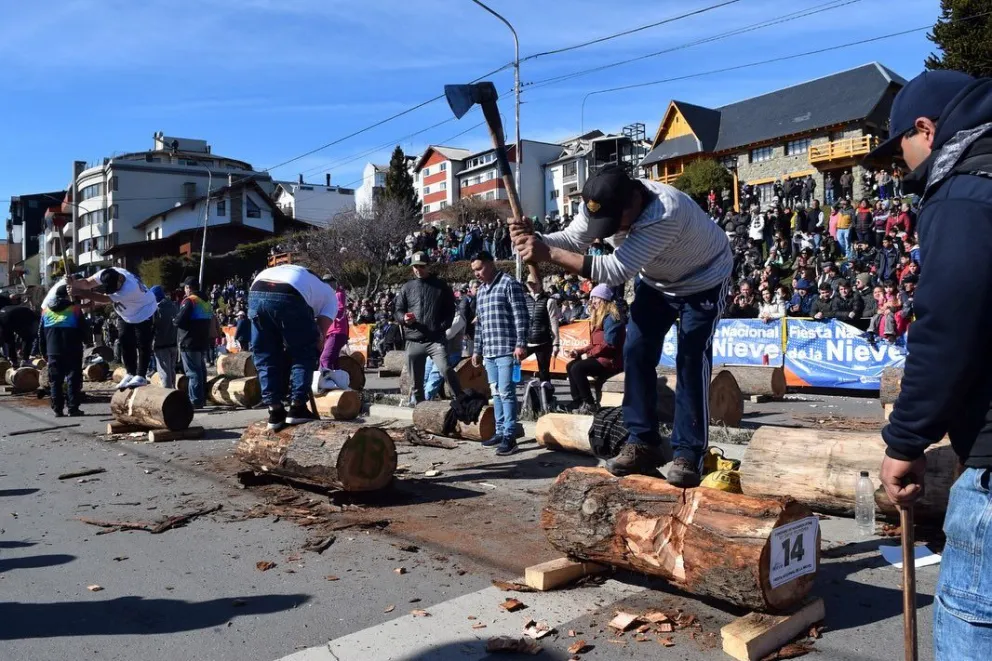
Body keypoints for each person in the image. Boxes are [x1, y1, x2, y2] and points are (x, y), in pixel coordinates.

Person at [868, 70, 992, 659]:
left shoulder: (966, 190)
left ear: (926, 129)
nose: (901, 169)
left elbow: (948, 325)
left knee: (973, 618)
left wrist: (906, 439)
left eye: (901, 153)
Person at [513, 166, 733, 486]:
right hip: (658, 282)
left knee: (690, 360)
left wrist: (547, 252)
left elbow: (615, 270)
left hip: (704, 280)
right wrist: (534, 239)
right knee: (636, 351)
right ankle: (643, 440)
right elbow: (574, 239)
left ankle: (689, 452)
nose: (605, 231)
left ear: (633, 200)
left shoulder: (665, 211)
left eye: (614, 222)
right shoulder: (600, 200)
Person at [249, 264, 338, 430]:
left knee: (265, 354)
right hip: (290, 293)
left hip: (257, 288)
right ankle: (297, 406)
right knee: (303, 352)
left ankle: (274, 409)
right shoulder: (331, 298)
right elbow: (319, 338)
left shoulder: (309, 280)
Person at [470, 251, 529, 456]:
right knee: (495, 394)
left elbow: (521, 316)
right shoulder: (481, 292)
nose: (476, 273)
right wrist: (477, 350)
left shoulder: (509, 284)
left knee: (506, 392)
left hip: (507, 351)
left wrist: (521, 344)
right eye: (474, 270)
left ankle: (510, 436)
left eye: (479, 268)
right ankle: (499, 430)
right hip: (489, 352)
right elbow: (480, 325)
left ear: (490, 264)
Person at [67, 267, 157, 389]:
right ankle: (130, 373)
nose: (114, 291)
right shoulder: (107, 273)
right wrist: (73, 282)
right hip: (125, 313)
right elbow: (87, 283)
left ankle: (141, 376)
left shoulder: (130, 288)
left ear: (120, 279)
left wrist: (80, 292)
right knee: (125, 341)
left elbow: (105, 299)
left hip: (144, 310)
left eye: (115, 288)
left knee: (142, 344)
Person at [394, 252, 461, 405]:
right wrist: (403, 318)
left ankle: (461, 399)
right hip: (414, 340)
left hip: (435, 339)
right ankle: (419, 410)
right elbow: (397, 310)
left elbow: (450, 310)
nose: (418, 269)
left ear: (428, 266)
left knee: (445, 369)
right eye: (415, 267)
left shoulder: (441, 286)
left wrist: (442, 327)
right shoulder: (407, 287)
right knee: (416, 383)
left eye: (422, 266)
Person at [565, 284, 624, 414]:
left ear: (603, 299)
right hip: (601, 357)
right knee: (570, 366)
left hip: (611, 361)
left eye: (595, 298)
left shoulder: (612, 318)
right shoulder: (602, 317)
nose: (592, 302)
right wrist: (579, 351)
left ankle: (590, 404)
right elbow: (596, 343)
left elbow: (609, 344)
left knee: (578, 368)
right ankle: (578, 401)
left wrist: (590, 354)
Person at [37, 285, 88, 417]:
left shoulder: (46, 311)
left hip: (53, 350)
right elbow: (84, 329)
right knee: (73, 379)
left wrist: (43, 351)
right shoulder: (75, 310)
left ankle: (57, 409)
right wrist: (88, 342)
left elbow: (41, 334)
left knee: (55, 380)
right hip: (73, 349)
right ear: (68, 295)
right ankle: (73, 408)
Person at [174, 277, 213, 409]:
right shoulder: (205, 301)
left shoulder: (190, 301)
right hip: (202, 340)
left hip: (189, 341)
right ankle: (202, 398)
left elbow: (179, 320)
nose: (184, 290)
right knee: (201, 370)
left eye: (185, 287)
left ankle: (195, 400)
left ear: (189, 288)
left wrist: (175, 320)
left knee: (192, 372)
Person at [523, 274, 561, 384]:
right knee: (514, 365)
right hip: (527, 341)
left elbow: (554, 324)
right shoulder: (524, 300)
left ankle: (547, 398)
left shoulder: (550, 301)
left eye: (534, 283)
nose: (532, 286)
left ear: (540, 284)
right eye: (529, 284)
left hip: (544, 341)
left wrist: (556, 344)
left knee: (544, 372)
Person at [150, 285, 179, 389]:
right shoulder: (174, 306)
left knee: (164, 372)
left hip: (161, 344)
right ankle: (174, 391)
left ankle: (168, 395)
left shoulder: (156, 309)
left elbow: (152, 326)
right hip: (173, 342)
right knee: (172, 370)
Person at [318, 275, 349, 371]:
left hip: (336, 331)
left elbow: (340, 309)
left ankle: (326, 381)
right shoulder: (330, 295)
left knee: (325, 357)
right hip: (331, 331)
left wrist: (327, 315)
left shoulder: (338, 294)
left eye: (329, 282)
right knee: (333, 359)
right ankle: (337, 382)